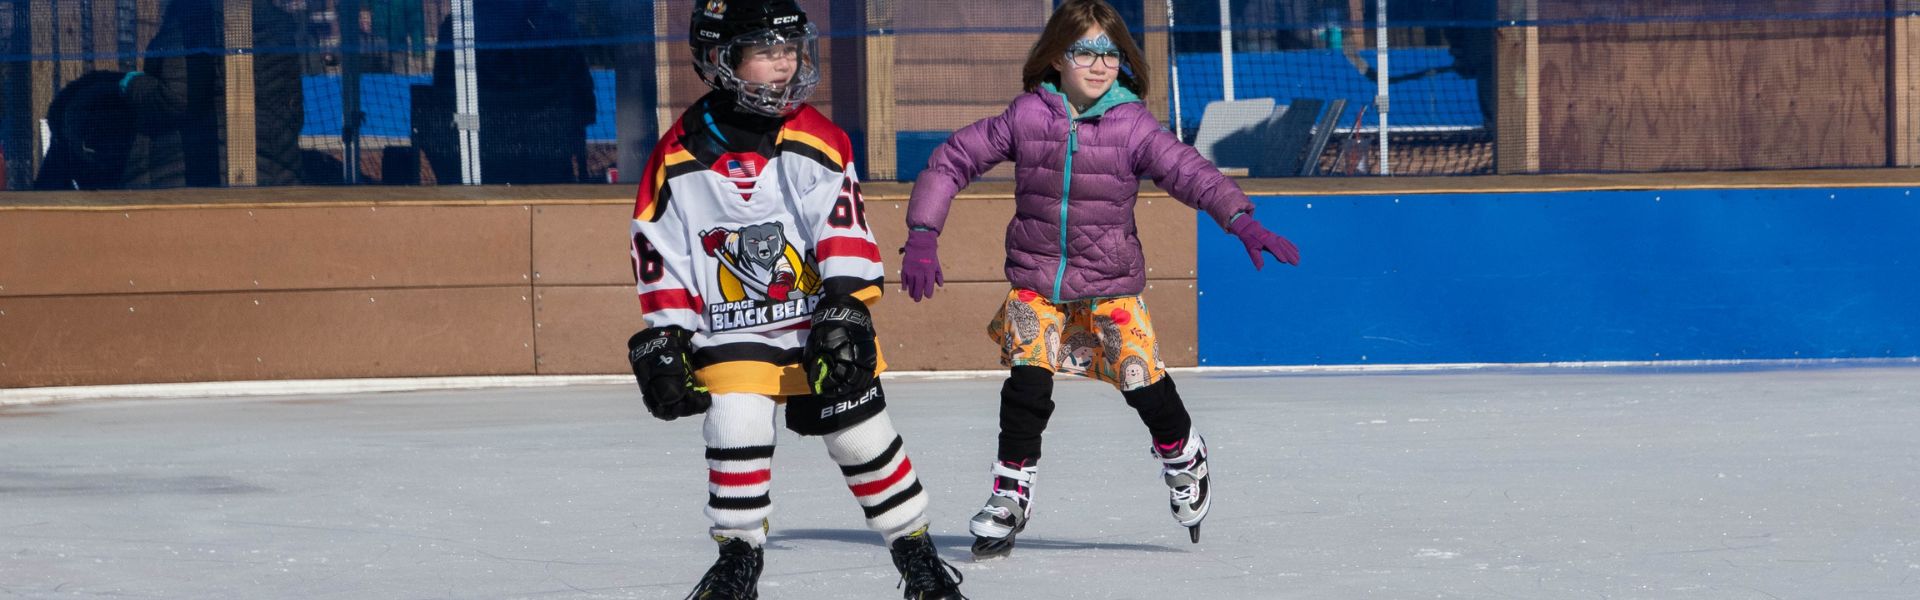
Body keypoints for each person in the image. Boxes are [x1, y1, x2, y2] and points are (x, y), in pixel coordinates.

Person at [900, 0, 1301, 560]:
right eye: (1084, 50)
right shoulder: (1026, 116)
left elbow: (1190, 171)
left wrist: (1239, 218)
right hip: (1037, 280)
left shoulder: (1132, 124)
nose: (1098, 63)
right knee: (1027, 380)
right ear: (1056, 58)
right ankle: (1010, 491)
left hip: (1109, 283)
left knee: (1143, 383)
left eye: (1109, 52)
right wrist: (923, 231)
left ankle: (1183, 454)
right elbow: (951, 161)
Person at [623, 1, 965, 598]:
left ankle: (917, 557)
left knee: (859, 432)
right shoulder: (673, 157)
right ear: (717, 59)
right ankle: (738, 559)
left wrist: (845, 305)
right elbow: (663, 249)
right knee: (736, 419)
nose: (783, 66)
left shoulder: (817, 139)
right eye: (765, 52)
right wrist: (668, 333)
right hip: (732, 326)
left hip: (815, 319)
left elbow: (841, 229)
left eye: (789, 51)